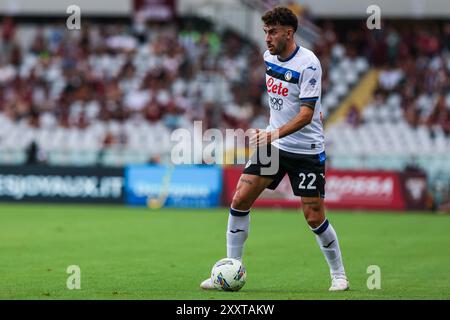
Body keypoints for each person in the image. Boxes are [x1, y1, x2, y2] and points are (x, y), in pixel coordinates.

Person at [200, 7, 349, 291]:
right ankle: (232, 269)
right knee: (241, 198)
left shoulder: (309, 63)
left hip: (306, 149)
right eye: (265, 32)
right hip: (275, 144)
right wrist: (271, 134)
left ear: (289, 33)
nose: (267, 38)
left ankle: (339, 274)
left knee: (314, 215)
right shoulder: (268, 56)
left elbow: (306, 114)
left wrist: (272, 134)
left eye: (273, 32)